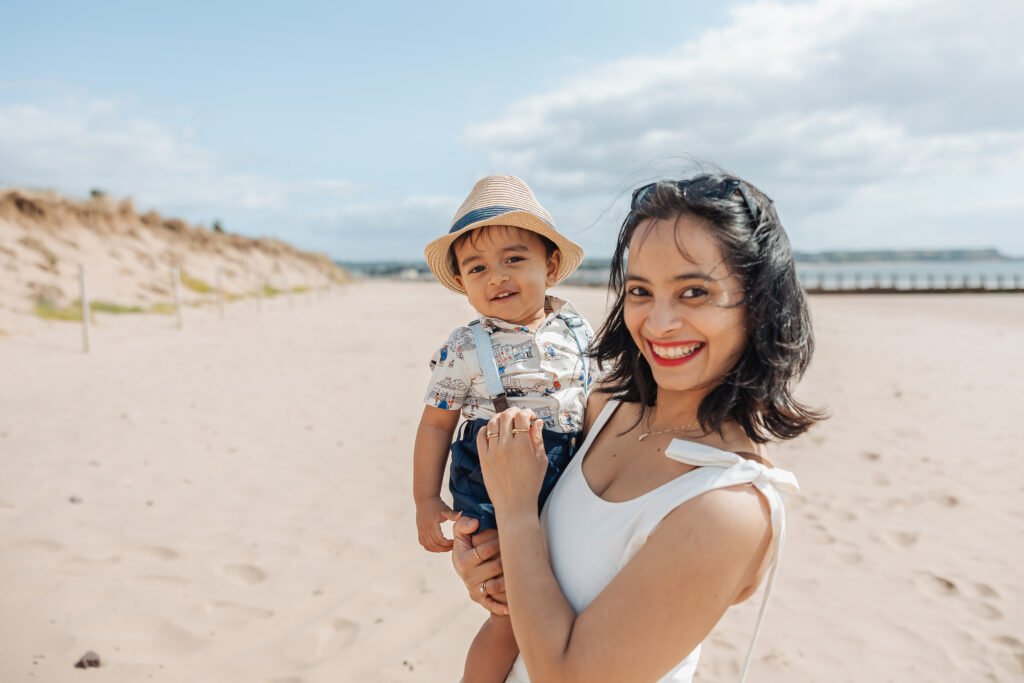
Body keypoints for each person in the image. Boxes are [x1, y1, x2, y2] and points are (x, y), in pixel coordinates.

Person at [451, 172, 824, 682]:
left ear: (759, 306)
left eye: (694, 291)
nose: (659, 321)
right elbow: (534, 562)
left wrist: (516, 513)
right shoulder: (602, 408)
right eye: (640, 290)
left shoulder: (727, 506)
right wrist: (484, 561)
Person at [413, 175, 596, 682]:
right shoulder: (467, 346)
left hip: (564, 467)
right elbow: (434, 425)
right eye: (477, 268)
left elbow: (596, 397)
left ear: (550, 265)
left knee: (565, 587)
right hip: (491, 474)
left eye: (514, 259)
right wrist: (425, 500)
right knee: (510, 610)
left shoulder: (577, 330)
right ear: (463, 284)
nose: (497, 277)